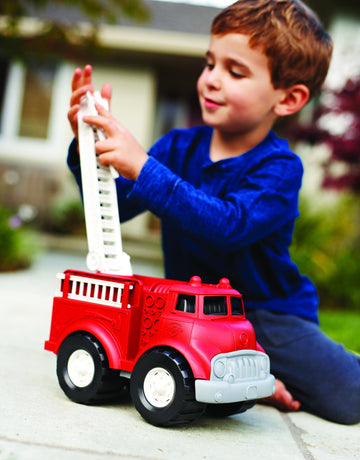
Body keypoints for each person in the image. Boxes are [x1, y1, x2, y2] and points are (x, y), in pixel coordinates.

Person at [67, 0, 360, 424]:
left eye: (235, 71)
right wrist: (86, 145)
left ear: (289, 98)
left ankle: (262, 370)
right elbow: (118, 206)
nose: (211, 80)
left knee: (347, 397)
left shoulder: (279, 169)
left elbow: (227, 224)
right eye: (210, 64)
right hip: (185, 310)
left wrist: (145, 167)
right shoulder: (176, 147)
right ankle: (250, 381)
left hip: (262, 314)